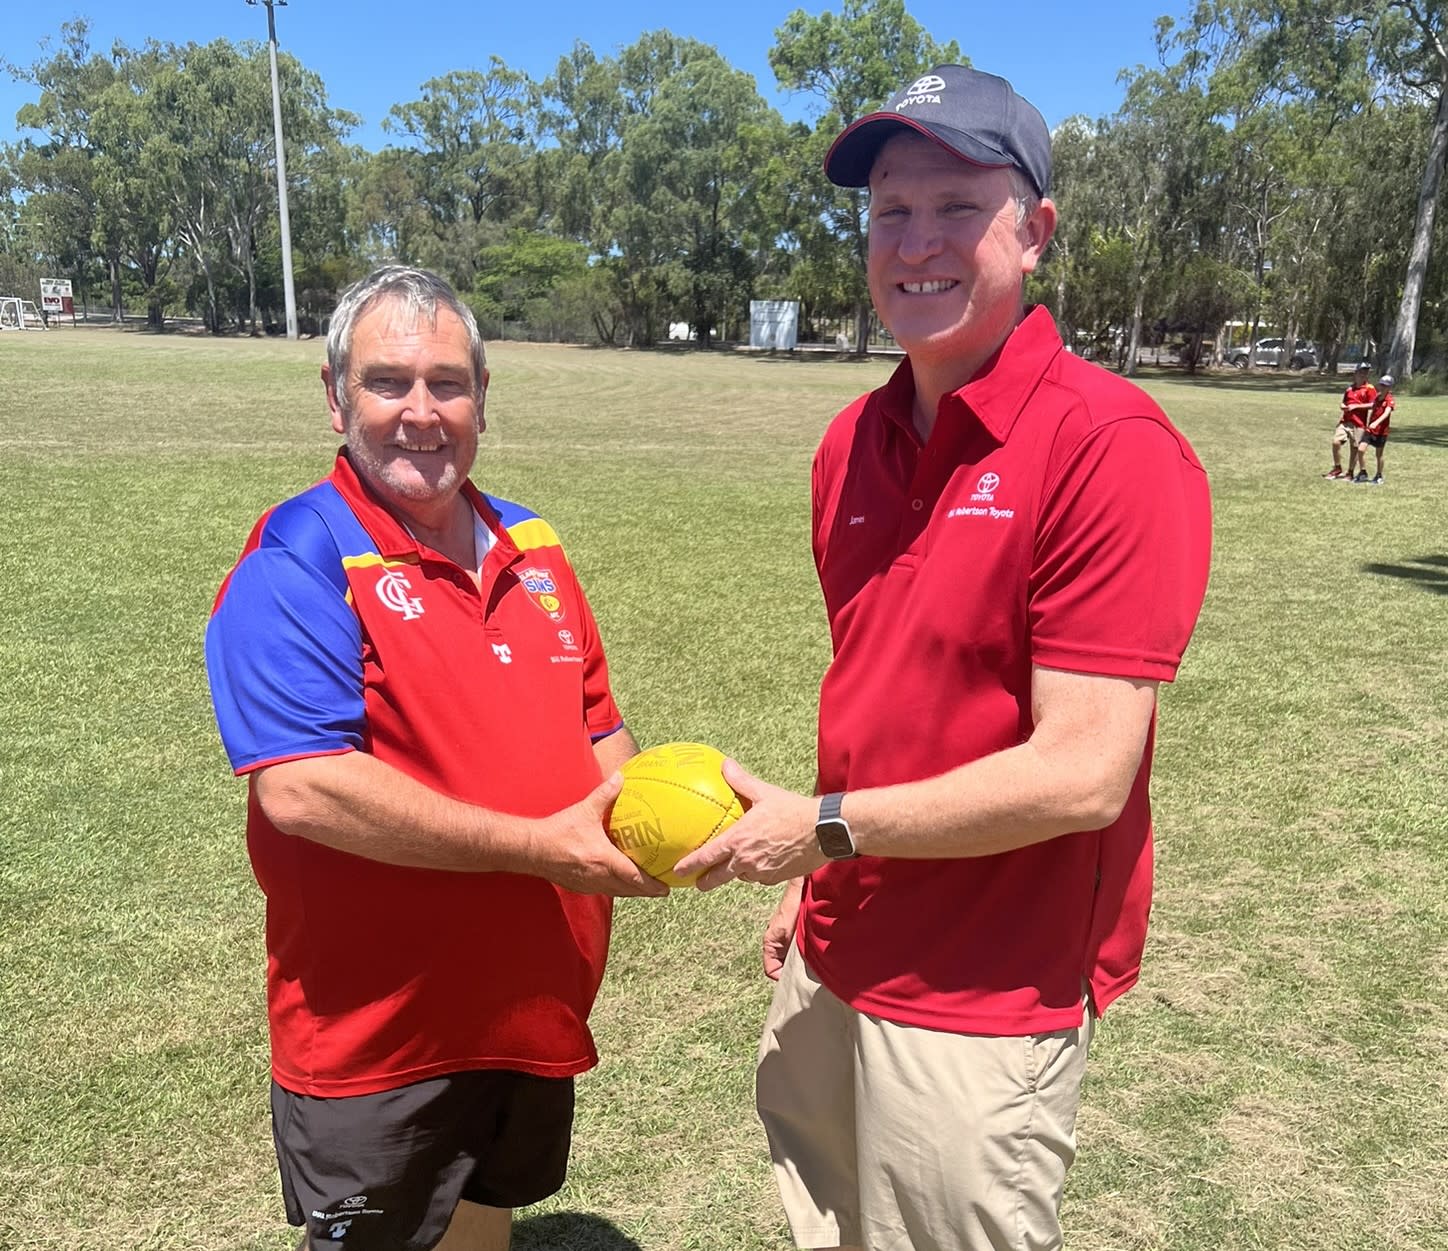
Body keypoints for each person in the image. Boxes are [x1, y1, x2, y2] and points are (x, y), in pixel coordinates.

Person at [674, 65, 1212, 1251]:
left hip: (980, 996)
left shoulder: (1106, 445)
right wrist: (820, 875)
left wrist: (818, 831)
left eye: (955, 207)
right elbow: (881, 692)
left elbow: (1081, 774)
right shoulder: (850, 442)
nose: (914, 243)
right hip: (838, 949)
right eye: (890, 212)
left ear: (1036, 232)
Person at [205, 265, 666, 1251]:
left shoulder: (534, 547)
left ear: (482, 398)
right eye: (387, 382)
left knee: (483, 1226)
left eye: (447, 383)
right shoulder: (299, 556)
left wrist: (665, 824)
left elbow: (599, 734)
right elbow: (305, 789)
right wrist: (542, 847)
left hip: (529, 1013)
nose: (421, 412)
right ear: (336, 397)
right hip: (382, 1044)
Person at [1326, 363, 1375, 480]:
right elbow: (1344, 402)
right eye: (1361, 372)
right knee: (1336, 442)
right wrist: (1342, 406)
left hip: (1359, 423)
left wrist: (1357, 406)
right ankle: (1337, 468)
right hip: (1345, 421)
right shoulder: (1350, 389)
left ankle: (1350, 472)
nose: (1363, 374)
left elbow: (1373, 404)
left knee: (1355, 448)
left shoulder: (1369, 388)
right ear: (1356, 373)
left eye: (1366, 372)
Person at [1362, 373, 1395, 484]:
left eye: (1385, 385)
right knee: (1360, 449)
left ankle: (1379, 475)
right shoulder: (1377, 397)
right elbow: (1372, 407)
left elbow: (1386, 413)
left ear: (1389, 387)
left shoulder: (1389, 399)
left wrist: (1376, 423)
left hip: (1381, 431)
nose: (1382, 387)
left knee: (1379, 454)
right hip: (1370, 429)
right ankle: (1363, 472)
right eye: (1381, 385)